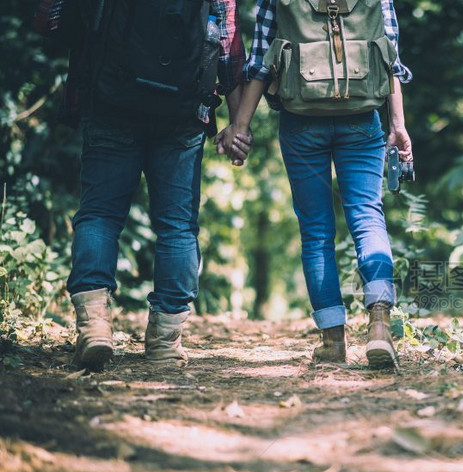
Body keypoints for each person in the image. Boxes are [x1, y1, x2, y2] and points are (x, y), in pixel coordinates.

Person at [48, 0, 246, 369]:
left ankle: (94, 326)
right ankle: (165, 344)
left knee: (100, 215)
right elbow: (229, 45)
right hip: (183, 111)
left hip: (109, 99)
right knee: (177, 226)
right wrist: (238, 123)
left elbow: (54, 22)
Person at [219, 0, 413, 369]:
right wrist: (398, 125)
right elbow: (391, 58)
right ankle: (379, 327)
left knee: (316, 231)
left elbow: (261, 63)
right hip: (361, 117)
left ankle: (332, 340)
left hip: (301, 121)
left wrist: (240, 126)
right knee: (368, 217)